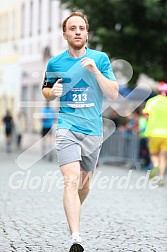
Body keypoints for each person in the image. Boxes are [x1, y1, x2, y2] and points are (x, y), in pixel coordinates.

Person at [42, 12, 118, 252]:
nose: (77, 31)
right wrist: (51, 93)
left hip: (93, 131)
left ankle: (72, 206)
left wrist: (95, 71)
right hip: (67, 127)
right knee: (71, 181)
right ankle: (76, 238)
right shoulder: (55, 63)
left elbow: (114, 93)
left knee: (83, 185)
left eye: (81, 28)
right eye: (72, 28)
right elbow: (45, 89)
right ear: (65, 34)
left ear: (86, 33)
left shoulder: (101, 58)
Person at [143, 81, 167, 186]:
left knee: (153, 154)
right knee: (163, 156)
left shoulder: (152, 102)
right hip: (166, 134)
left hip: (153, 132)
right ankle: (161, 177)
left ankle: (155, 165)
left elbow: (146, 115)